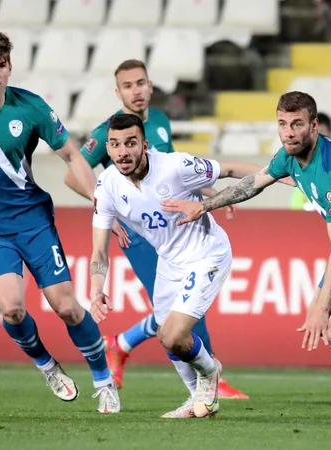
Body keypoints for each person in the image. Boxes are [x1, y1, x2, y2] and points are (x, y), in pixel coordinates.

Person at [162, 92, 331, 424]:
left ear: (314, 125)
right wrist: (205, 205)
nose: (289, 132)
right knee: (328, 317)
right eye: (283, 124)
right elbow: (254, 182)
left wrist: (320, 306)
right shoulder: (288, 155)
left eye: (297, 124)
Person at [0, 29, 119, 413]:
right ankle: (47, 366)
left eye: (0, 65)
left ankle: (103, 379)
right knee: (12, 308)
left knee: (66, 306)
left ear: (10, 68)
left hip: (33, 222)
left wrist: (101, 202)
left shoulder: (31, 108)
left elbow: (72, 156)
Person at [64, 59, 249, 399]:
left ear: (150, 86)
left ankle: (123, 344)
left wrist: (209, 194)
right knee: (179, 313)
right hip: (140, 234)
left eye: (140, 83)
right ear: (117, 92)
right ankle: (210, 381)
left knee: (179, 309)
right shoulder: (110, 132)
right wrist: (107, 211)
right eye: (128, 86)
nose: (136, 91)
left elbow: (173, 171)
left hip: (176, 222)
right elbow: (72, 174)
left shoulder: (160, 121)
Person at [88, 114, 290, 418]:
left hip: (207, 254)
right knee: (164, 334)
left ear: (144, 145)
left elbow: (229, 169)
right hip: (170, 262)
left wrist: (277, 172)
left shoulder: (174, 167)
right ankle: (196, 399)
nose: (123, 152)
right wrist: (96, 290)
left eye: (130, 143)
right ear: (108, 147)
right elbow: (99, 252)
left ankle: (211, 373)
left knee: (172, 335)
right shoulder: (107, 187)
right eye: (115, 145)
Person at [291, 112, 331, 211]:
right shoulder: (301, 163)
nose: (318, 135)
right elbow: (296, 206)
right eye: (314, 131)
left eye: (322, 131)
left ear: (330, 132)